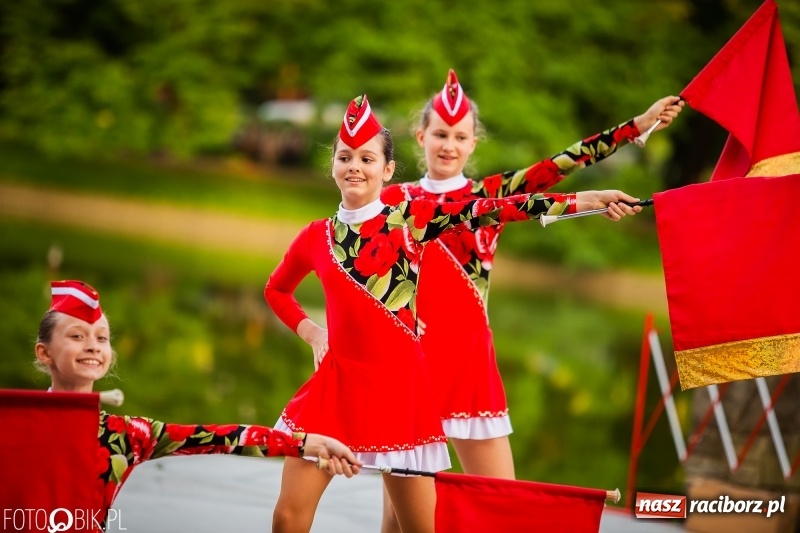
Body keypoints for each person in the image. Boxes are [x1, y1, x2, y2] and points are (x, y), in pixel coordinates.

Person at [264, 94, 643, 533]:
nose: (354, 167)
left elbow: (499, 207)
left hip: (403, 397)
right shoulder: (316, 236)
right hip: (335, 390)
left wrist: (590, 199)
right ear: (332, 164)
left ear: (387, 170)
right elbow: (277, 290)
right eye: (345, 157)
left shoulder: (410, 218)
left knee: (419, 527)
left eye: (367, 158)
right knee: (288, 516)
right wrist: (313, 332)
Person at [378, 69, 684, 531]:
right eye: (440, 134)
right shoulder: (391, 201)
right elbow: (361, 274)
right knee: (400, 518)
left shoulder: (490, 195)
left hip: (468, 367)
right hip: (410, 366)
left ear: (473, 143)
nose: (448, 145)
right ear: (421, 136)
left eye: (459, 136)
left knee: (503, 505)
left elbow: (558, 165)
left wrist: (637, 126)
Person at [34, 279, 361, 530]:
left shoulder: (126, 436)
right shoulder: (17, 422)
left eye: (101, 338)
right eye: (77, 336)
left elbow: (224, 438)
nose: (93, 346)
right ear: (44, 353)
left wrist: (306, 443)